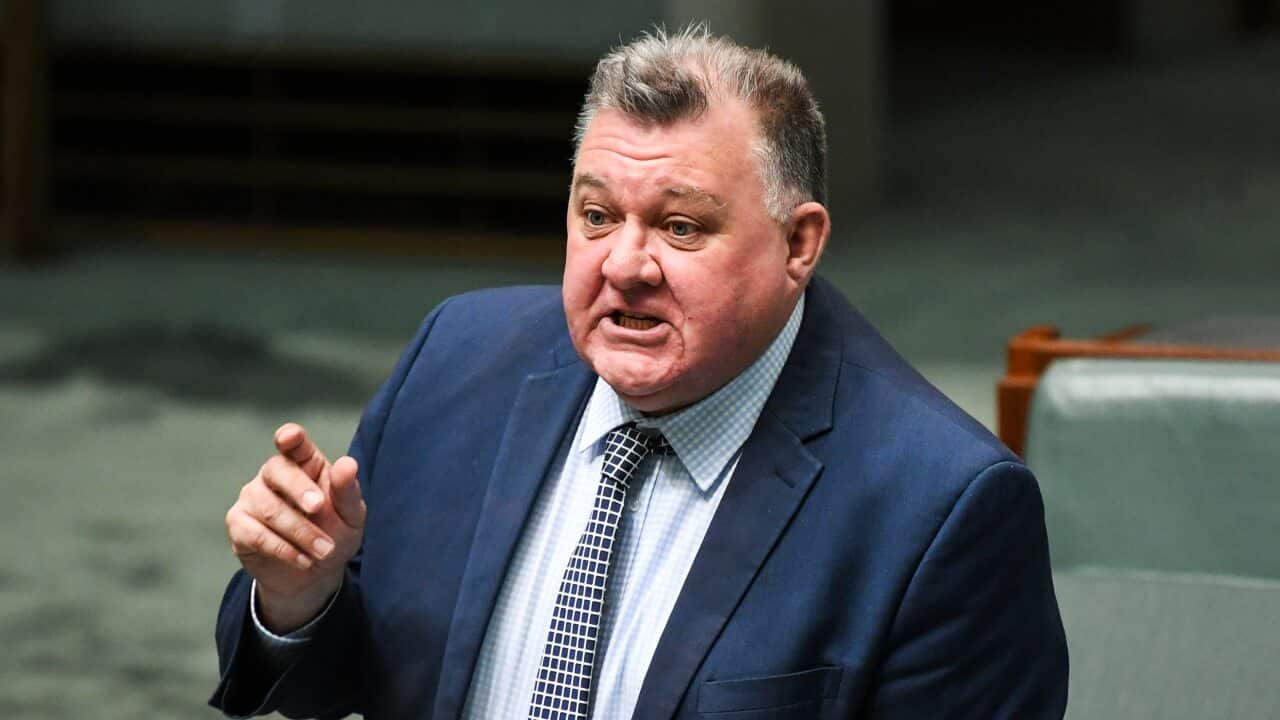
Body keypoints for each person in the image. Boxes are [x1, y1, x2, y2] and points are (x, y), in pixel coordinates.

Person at [211, 26, 1068, 719]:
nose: (624, 265)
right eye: (596, 215)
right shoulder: (458, 361)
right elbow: (341, 677)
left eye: (681, 227)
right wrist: (299, 599)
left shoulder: (940, 510)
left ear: (798, 244)